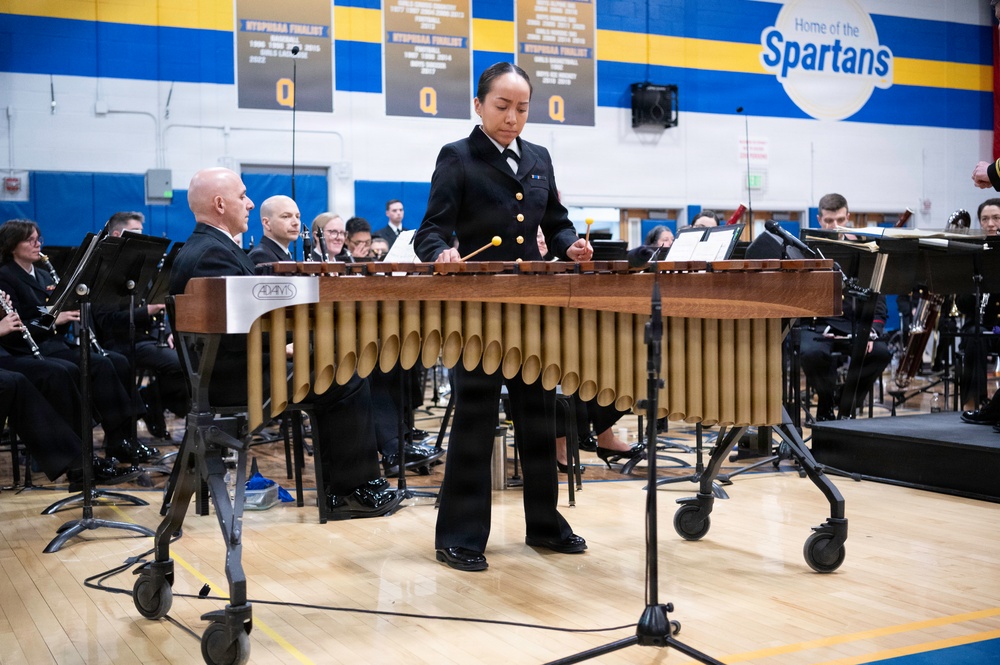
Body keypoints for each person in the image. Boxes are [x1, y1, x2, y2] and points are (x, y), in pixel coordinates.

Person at [414, 62, 593, 572]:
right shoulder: (458, 156)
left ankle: (544, 524)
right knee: (475, 419)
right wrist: (441, 254)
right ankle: (460, 535)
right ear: (478, 105)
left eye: (522, 108)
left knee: (539, 417)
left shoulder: (538, 158)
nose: (512, 117)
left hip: (531, 307)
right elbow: (430, 230)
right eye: (502, 106)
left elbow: (556, 223)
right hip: (478, 314)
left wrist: (571, 245)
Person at [169, 167, 400, 519]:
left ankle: (346, 487)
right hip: (233, 378)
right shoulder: (213, 254)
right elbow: (233, 336)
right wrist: (290, 346)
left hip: (229, 369)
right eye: (242, 196)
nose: (249, 203)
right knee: (346, 378)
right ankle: (349, 492)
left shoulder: (203, 247)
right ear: (219, 204)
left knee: (338, 362)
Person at [0, 219, 156, 464]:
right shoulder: (6, 277)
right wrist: (53, 318)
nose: (37, 244)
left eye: (38, 239)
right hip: (28, 348)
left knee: (118, 361)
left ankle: (122, 437)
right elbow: (18, 323)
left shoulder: (43, 274)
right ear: (12, 245)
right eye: (30, 240)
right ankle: (95, 448)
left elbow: (51, 316)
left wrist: (66, 307)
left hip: (53, 343)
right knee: (96, 366)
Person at [94, 211, 189, 440]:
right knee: (181, 364)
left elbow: (159, 305)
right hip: (122, 342)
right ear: (117, 235)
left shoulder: (143, 267)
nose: (142, 238)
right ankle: (152, 401)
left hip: (149, 339)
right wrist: (146, 312)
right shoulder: (104, 271)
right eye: (135, 233)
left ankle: (151, 399)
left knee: (192, 358)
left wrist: (168, 332)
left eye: (141, 232)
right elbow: (106, 321)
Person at [799, 194, 891, 422]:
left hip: (855, 324)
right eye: (829, 221)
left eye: (840, 220)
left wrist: (872, 331)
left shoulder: (865, 249)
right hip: (818, 324)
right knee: (811, 353)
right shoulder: (806, 250)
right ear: (819, 220)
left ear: (848, 217)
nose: (835, 226)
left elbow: (878, 300)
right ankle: (826, 401)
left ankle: (847, 401)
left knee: (880, 353)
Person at [248, 195, 300, 264]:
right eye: (286, 216)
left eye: (297, 217)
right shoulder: (262, 256)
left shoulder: (279, 253)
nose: (296, 223)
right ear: (266, 223)